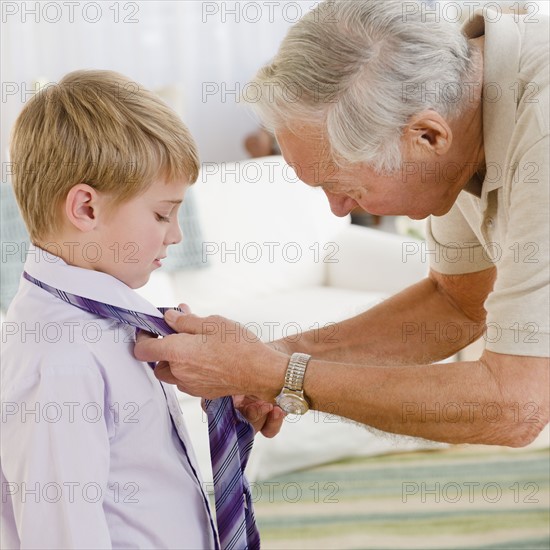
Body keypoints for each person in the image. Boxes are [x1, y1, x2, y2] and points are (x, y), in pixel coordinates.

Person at [135, 1, 549, 447]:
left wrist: (275, 375)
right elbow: (458, 304)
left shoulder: (539, 128)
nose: (337, 209)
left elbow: (515, 406)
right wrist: (266, 359)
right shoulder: (458, 106)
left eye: (342, 183)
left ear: (428, 137)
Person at [0, 70, 273, 549]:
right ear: (86, 209)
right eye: (162, 214)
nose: (176, 235)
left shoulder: (114, 322)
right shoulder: (61, 361)